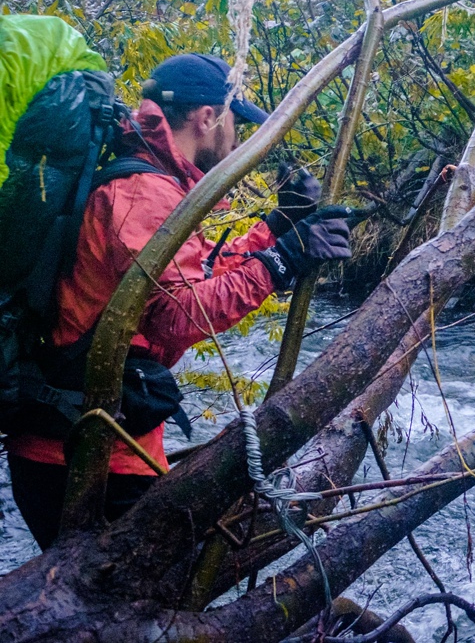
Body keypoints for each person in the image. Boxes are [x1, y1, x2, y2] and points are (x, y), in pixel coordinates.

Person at [4, 52, 351, 549]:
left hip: (93, 441)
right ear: (207, 118)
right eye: (234, 121)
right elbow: (179, 316)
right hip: (84, 454)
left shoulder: (151, 177)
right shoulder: (144, 191)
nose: (236, 138)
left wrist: (276, 230)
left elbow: (185, 278)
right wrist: (286, 261)